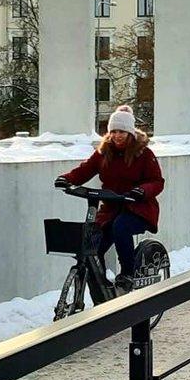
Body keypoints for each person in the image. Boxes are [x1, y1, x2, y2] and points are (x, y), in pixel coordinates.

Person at [55, 105, 164, 286]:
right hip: (111, 209)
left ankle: (128, 273)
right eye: (113, 131)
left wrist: (142, 191)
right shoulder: (104, 152)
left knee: (120, 227)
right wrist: (66, 179)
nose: (117, 135)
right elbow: (84, 170)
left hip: (138, 208)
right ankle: (102, 290)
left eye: (122, 131)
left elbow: (157, 181)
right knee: (92, 245)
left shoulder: (143, 153)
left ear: (130, 132)